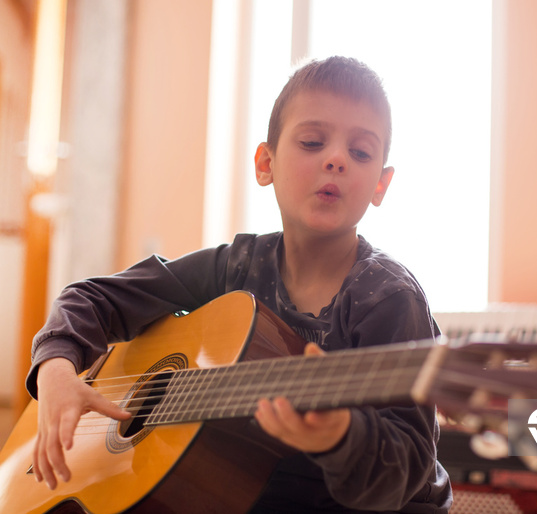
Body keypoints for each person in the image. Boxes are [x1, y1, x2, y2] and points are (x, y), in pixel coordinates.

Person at [27, 56, 452, 513]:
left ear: (380, 185)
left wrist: (341, 436)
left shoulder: (387, 297)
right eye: (312, 141)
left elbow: (408, 465)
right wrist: (56, 370)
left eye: (361, 152)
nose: (336, 159)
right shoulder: (237, 267)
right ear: (265, 163)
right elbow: (91, 298)